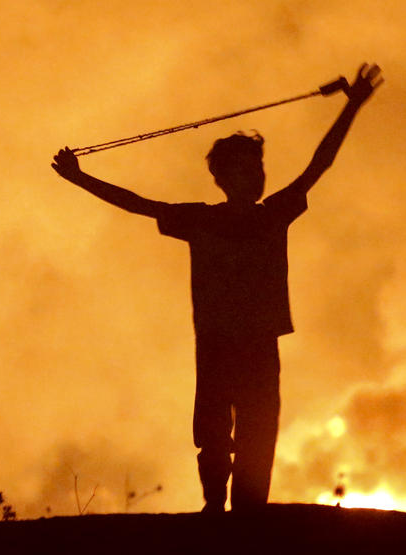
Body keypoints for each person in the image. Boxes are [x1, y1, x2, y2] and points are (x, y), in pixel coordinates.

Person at [52, 63, 382, 513]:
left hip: (258, 339)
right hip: (218, 339)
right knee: (213, 432)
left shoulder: (271, 213)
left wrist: (351, 108)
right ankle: (216, 508)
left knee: (258, 430)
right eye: (246, 170)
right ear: (224, 178)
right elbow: (136, 203)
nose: (257, 176)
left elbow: (319, 164)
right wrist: (79, 177)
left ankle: (245, 513)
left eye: (258, 168)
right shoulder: (205, 219)